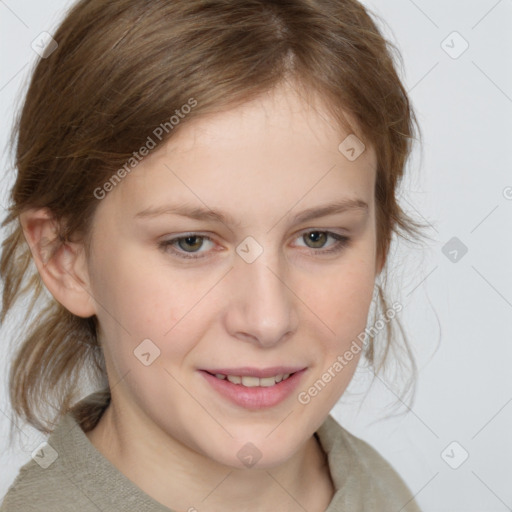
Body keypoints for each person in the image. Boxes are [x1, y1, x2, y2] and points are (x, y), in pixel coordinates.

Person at [0, 0, 428, 510]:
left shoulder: (372, 486)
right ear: (64, 258)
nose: (268, 320)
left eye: (318, 237)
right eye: (191, 243)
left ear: (379, 242)